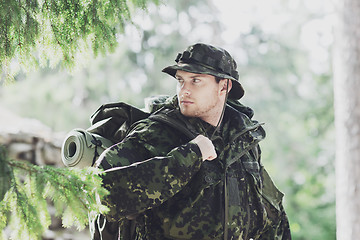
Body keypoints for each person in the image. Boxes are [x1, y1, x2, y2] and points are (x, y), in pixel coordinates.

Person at [95, 43, 291, 240]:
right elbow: (102, 193)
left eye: (195, 81)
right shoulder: (155, 133)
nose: (184, 90)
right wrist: (190, 156)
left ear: (224, 86)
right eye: (181, 80)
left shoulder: (242, 141)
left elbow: (271, 214)